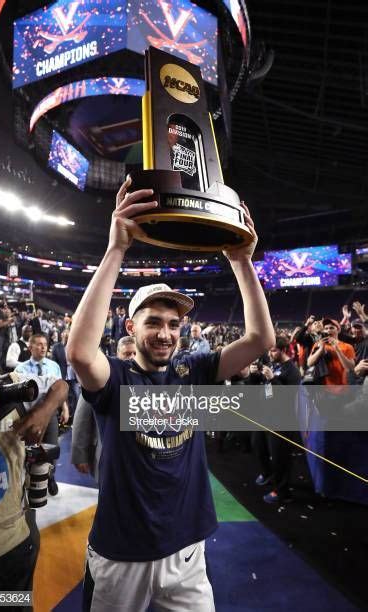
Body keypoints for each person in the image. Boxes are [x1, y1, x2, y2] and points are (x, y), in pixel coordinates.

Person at [67, 177, 274, 611]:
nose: (166, 333)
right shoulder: (116, 379)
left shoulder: (192, 370)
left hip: (186, 552)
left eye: (174, 324)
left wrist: (241, 261)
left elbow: (259, 339)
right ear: (130, 327)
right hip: (121, 556)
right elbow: (80, 352)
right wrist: (116, 249)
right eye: (154, 322)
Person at [0, 337, 68, 611]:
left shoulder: (5, 385)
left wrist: (43, 412)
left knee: (16, 606)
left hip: (12, 546)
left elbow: (60, 386)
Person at [71, 337, 136, 480]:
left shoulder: (146, 377)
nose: (131, 357)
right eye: (127, 354)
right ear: (118, 353)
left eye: (134, 353)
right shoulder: (101, 376)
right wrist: (80, 455)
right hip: (109, 458)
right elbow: (82, 418)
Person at [15, 334, 69, 495]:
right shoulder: (20, 369)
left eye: (45, 344)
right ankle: (29, 479)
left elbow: (61, 390)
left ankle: (50, 477)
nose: (43, 347)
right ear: (30, 347)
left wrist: (65, 408)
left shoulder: (54, 366)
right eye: (38, 344)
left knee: (51, 447)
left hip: (51, 413)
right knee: (29, 449)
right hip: (29, 415)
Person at [252, 336, 302, 503]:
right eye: (269, 350)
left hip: (283, 419)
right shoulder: (274, 364)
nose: (270, 354)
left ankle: (282, 492)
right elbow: (264, 386)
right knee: (258, 444)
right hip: (267, 414)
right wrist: (256, 375)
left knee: (280, 457)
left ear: (284, 350)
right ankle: (268, 474)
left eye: (273, 351)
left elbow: (288, 398)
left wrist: (272, 378)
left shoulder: (292, 371)